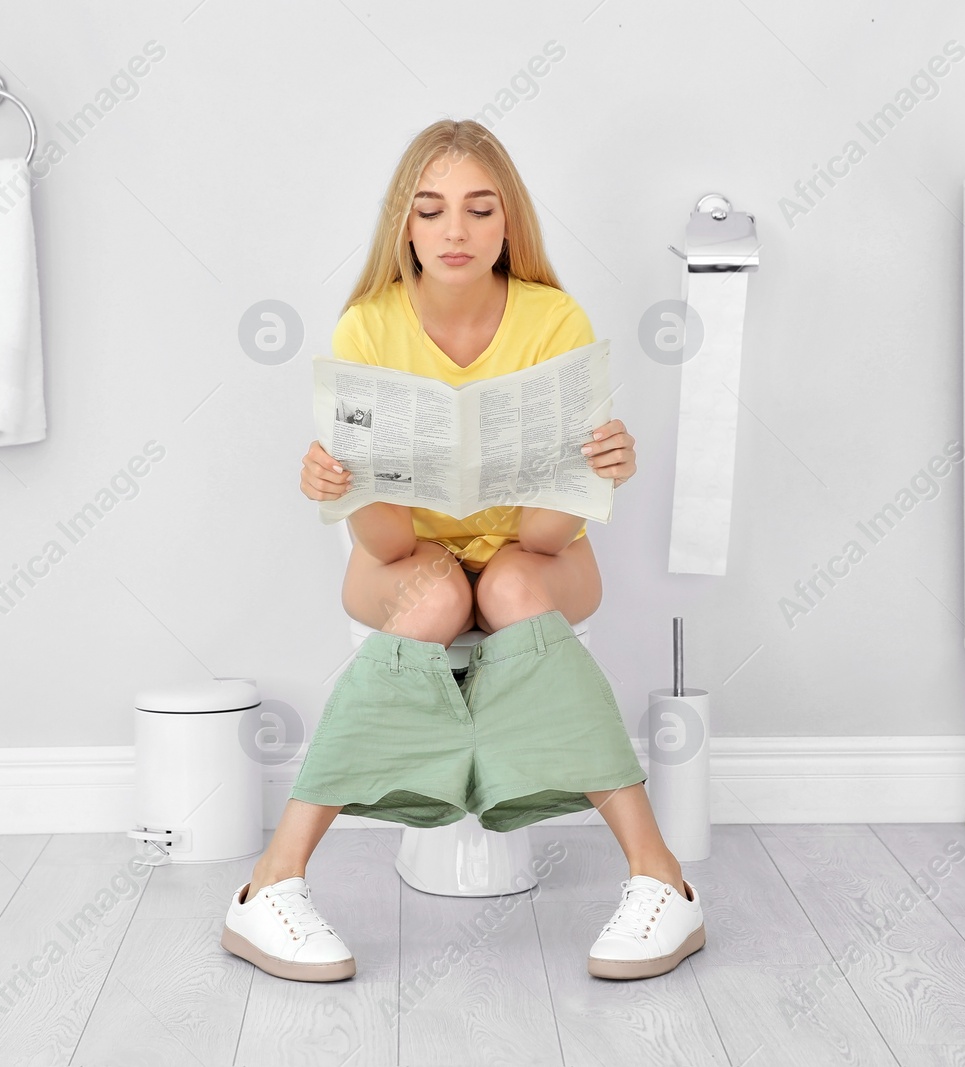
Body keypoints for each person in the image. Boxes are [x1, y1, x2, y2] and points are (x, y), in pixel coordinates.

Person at [222, 119, 705, 984]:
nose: (456, 232)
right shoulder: (367, 326)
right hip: (403, 553)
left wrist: (596, 470)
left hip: (537, 545)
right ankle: (270, 886)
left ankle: (661, 879)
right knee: (439, 595)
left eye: (481, 210)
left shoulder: (554, 317)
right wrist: (348, 490)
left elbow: (544, 536)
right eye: (433, 210)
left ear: (508, 223)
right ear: (403, 226)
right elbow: (389, 541)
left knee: (512, 584)